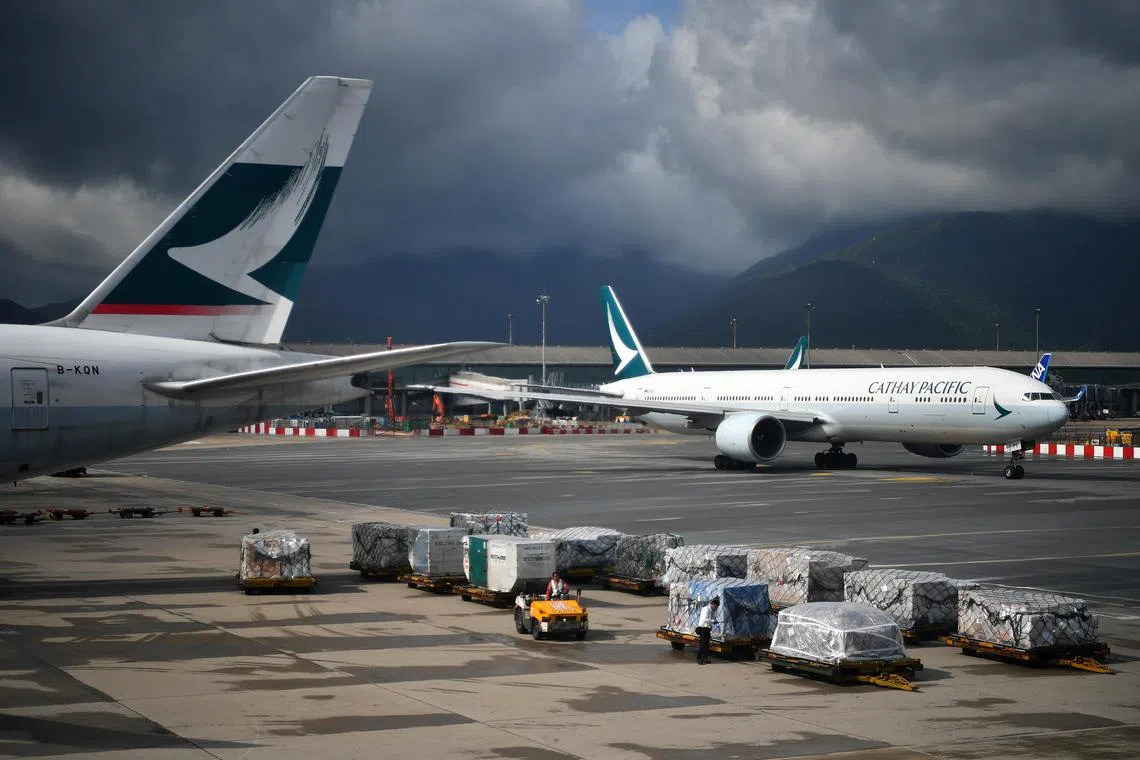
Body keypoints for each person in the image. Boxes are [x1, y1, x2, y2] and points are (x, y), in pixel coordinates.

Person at [695, 597, 720, 664]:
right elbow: (705, 619)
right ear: (713, 604)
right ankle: (699, 659)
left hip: (707, 629)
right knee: (702, 644)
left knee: (706, 645)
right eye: (716, 607)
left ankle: (704, 658)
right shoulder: (706, 609)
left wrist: (713, 621)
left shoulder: (711, 610)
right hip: (703, 628)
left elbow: (709, 619)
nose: (716, 608)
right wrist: (713, 621)